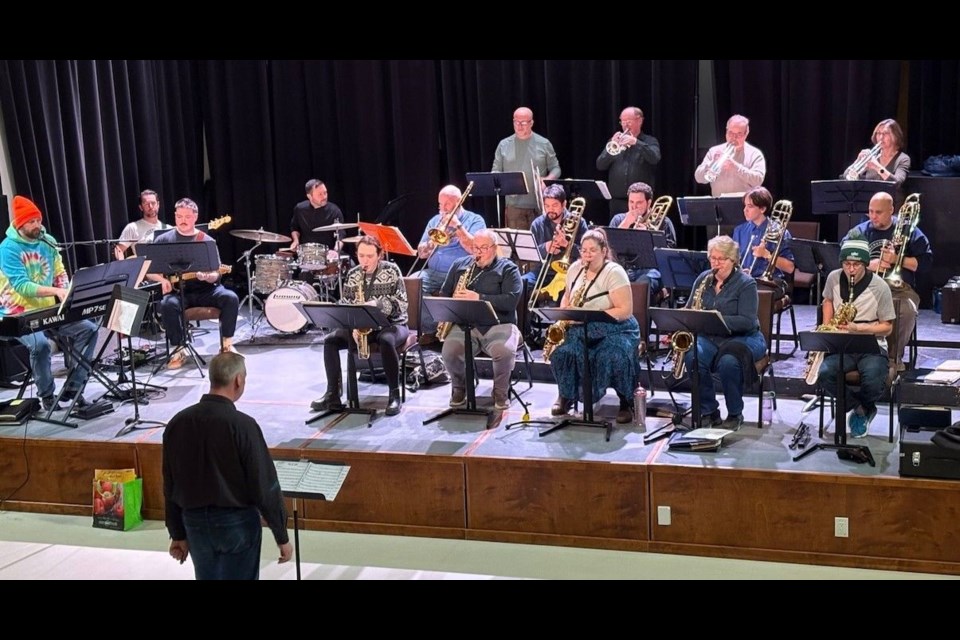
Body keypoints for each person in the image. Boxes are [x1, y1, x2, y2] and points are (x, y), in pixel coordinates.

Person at [163, 352, 293, 580]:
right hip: (237, 524)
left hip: (194, 523)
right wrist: (281, 535)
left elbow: (170, 483)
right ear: (238, 381)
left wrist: (177, 533)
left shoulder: (177, 423)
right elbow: (264, 485)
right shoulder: (243, 426)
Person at [0, 196, 99, 410]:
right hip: (16, 314)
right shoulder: (7, 248)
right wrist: (56, 290)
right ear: (19, 224)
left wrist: (66, 290)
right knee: (41, 345)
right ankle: (47, 395)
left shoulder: (48, 241)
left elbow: (59, 272)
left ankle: (74, 387)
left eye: (38, 220)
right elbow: (22, 286)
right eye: (31, 222)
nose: (37, 225)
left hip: (47, 310)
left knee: (89, 330)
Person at [549, 229, 640, 425]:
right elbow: (568, 296)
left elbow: (625, 310)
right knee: (562, 353)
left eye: (592, 250)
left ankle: (626, 401)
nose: (587, 255)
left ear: (603, 251)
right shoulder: (574, 268)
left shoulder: (614, 272)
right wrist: (564, 313)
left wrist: (590, 317)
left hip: (615, 327)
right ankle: (566, 395)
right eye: (584, 250)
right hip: (581, 328)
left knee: (613, 355)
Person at [311, 236, 408, 416]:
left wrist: (377, 305)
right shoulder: (354, 274)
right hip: (361, 326)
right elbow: (345, 302)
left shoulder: (392, 270)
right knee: (330, 341)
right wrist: (352, 324)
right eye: (362, 255)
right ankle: (332, 393)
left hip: (392, 324)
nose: (365, 260)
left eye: (370, 256)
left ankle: (393, 394)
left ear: (380, 255)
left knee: (386, 340)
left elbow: (402, 303)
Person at [682, 235, 768, 431]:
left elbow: (746, 321)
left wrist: (715, 319)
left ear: (733, 260)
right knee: (693, 357)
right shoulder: (703, 279)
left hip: (744, 337)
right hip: (711, 337)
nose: (716, 263)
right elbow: (689, 308)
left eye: (721, 259)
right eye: (713, 258)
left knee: (729, 362)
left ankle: (735, 413)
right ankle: (709, 410)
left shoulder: (746, 283)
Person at [815, 236, 895, 438]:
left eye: (856, 265)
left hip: (871, 344)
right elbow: (827, 300)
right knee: (825, 373)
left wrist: (858, 328)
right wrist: (828, 325)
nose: (850, 269)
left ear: (865, 264)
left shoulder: (880, 287)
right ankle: (859, 407)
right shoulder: (834, 277)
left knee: (874, 378)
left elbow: (887, 327)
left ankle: (865, 407)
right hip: (842, 344)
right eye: (847, 264)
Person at [842, 191, 931, 372]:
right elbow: (842, 257)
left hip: (899, 289)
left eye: (879, 212)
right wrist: (868, 265)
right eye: (870, 211)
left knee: (905, 310)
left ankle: (891, 359)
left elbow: (925, 264)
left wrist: (897, 259)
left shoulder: (910, 231)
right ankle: (855, 357)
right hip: (866, 287)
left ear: (892, 210)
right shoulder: (859, 232)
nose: (873, 216)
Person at [150, 198, 240, 368]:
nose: (183, 220)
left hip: (207, 290)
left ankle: (226, 345)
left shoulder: (206, 241)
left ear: (195, 218)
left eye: (187, 217)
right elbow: (149, 270)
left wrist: (209, 277)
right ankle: (178, 349)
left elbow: (216, 273)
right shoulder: (163, 240)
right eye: (179, 216)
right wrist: (162, 280)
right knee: (167, 304)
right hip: (179, 291)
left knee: (230, 298)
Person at [440, 229, 522, 411]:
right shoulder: (460, 265)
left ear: (495, 248)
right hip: (465, 324)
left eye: (483, 248)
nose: (478, 252)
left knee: (504, 351)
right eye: (475, 248)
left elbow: (511, 301)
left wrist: (479, 297)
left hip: (499, 324)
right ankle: (459, 387)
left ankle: (500, 391)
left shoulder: (508, 269)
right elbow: (445, 293)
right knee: (449, 351)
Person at [415, 185, 486, 339]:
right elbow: (420, 253)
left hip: (459, 274)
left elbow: (476, 250)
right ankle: (433, 329)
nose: (443, 208)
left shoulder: (475, 220)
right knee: (412, 285)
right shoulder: (435, 220)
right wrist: (430, 245)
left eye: (447, 204)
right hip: (433, 273)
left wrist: (458, 227)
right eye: (440, 204)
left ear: (458, 201)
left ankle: (447, 331)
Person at [491, 106, 561, 230]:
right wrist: (503, 182)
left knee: (541, 245)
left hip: (540, 204)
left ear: (531, 123)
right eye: (516, 122)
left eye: (523, 123)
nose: (519, 126)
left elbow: (556, 168)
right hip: (514, 206)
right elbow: (495, 172)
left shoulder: (544, 143)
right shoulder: (503, 145)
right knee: (518, 246)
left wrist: (547, 179)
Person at [608, 181, 677, 293]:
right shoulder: (618, 220)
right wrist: (625, 224)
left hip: (652, 271)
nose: (633, 207)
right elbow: (608, 248)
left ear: (649, 203)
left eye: (639, 203)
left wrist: (648, 235)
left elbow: (670, 252)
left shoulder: (664, 222)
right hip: (623, 269)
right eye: (631, 202)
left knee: (642, 284)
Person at [596, 106, 662, 217]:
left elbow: (655, 158)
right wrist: (612, 145)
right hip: (617, 202)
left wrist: (636, 142)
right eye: (623, 121)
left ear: (639, 121)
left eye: (629, 121)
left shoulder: (650, 141)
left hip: (640, 203)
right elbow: (600, 165)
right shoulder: (614, 142)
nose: (625, 125)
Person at [527, 184, 589, 301]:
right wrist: (546, 247)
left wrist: (567, 244)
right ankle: (527, 319)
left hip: (571, 271)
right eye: (547, 206)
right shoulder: (537, 223)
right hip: (543, 270)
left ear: (564, 204)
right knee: (522, 283)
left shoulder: (579, 222)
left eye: (555, 205)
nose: (550, 210)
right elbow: (531, 254)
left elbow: (586, 253)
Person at [732, 186, 796, 286]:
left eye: (750, 206)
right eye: (745, 206)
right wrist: (739, 272)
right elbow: (733, 261)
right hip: (744, 281)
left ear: (762, 209)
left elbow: (790, 267)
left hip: (771, 282)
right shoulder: (739, 230)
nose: (745, 210)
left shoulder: (779, 231)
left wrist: (767, 255)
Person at [694, 114, 766, 197]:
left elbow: (758, 180)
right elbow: (698, 178)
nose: (734, 138)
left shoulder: (755, 154)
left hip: (744, 206)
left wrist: (735, 167)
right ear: (726, 132)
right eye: (730, 133)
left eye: (739, 134)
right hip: (719, 203)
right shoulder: (714, 151)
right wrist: (711, 163)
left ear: (746, 134)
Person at [842, 118, 911, 186]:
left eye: (885, 133)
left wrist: (877, 166)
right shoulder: (872, 156)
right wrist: (857, 161)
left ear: (895, 136)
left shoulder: (903, 159)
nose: (881, 137)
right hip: (869, 195)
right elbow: (846, 176)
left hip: (890, 196)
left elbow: (897, 183)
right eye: (878, 133)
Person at [287, 179, 345, 256]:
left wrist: (335, 250)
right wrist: (296, 241)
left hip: (328, 254)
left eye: (325, 193)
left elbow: (341, 235)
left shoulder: (334, 210)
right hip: (307, 255)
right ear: (309, 196)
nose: (324, 196)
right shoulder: (300, 209)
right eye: (320, 194)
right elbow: (294, 228)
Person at [113, 189, 171, 259]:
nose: (151, 206)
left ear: (158, 204)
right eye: (146, 204)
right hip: (143, 268)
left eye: (153, 203)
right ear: (141, 207)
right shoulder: (133, 227)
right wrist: (122, 265)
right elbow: (118, 249)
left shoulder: (169, 229)